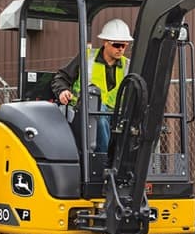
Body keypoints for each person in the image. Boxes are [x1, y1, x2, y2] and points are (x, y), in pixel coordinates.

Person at [50, 18, 133, 152]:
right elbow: (61, 78)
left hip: (115, 115)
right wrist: (62, 91)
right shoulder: (86, 57)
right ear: (105, 42)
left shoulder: (127, 65)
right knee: (99, 111)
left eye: (124, 45)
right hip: (84, 113)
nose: (121, 49)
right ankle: (104, 157)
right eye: (117, 45)